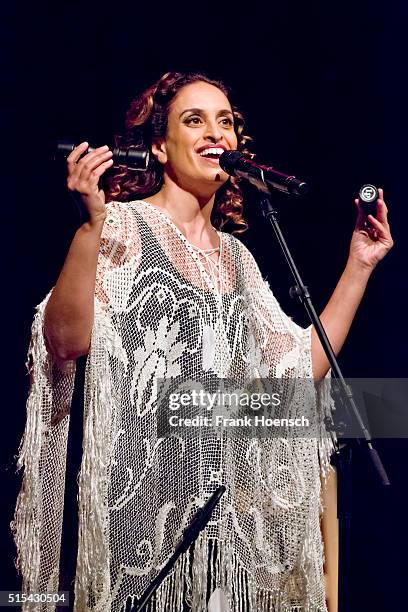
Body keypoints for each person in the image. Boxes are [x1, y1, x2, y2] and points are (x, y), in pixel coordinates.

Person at [13, 72, 393, 612]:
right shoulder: (123, 228)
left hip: (226, 543)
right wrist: (88, 230)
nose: (217, 133)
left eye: (226, 122)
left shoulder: (238, 258)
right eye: (194, 120)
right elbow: (66, 343)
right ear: (159, 148)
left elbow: (298, 366)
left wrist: (359, 264)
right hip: (142, 538)